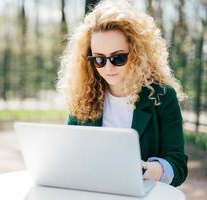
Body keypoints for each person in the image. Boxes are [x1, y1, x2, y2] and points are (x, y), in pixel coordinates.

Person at [56, 0, 188, 187]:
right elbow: (71, 155)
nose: (108, 68)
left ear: (137, 53)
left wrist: (142, 169)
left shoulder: (162, 96)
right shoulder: (83, 96)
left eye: (118, 57)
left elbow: (178, 166)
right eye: (99, 59)